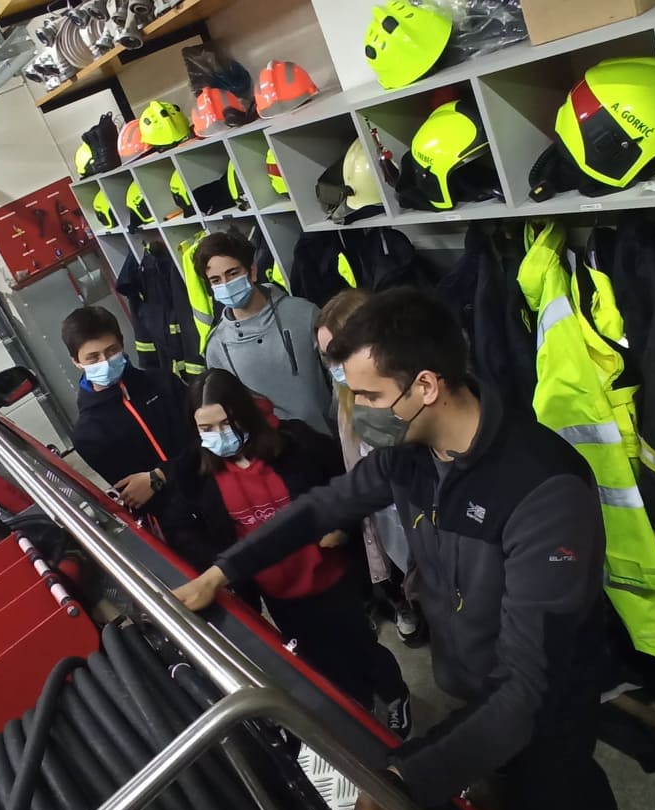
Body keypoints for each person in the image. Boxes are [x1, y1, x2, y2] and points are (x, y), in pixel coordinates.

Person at [174, 289, 646, 810]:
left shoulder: (542, 488)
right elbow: (323, 506)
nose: (358, 411)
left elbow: (528, 686)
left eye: (369, 396)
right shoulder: (410, 456)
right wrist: (224, 570)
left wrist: (403, 780)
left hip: (544, 706)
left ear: (425, 385)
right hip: (476, 688)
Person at [159, 368, 412, 736]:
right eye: (206, 428)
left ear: (244, 414)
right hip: (276, 592)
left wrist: (341, 528)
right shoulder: (194, 471)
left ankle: (394, 694)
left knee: (359, 645)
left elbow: (344, 486)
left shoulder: (297, 443)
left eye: (226, 423)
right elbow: (180, 525)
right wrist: (225, 562)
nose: (218, 435)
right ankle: (358, 709)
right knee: (317, 660)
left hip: (329, 576)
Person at [315, 289, 425, 647]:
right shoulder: (346, 399)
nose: (336, 367)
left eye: (340, 353)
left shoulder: (416, 398)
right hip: (388, 518)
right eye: (327, 357)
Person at [197, 231, 335, 434]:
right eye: (216, 280)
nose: (225, 284)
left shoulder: (303, 314)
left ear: (252, 271)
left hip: (325, 438)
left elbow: (338, 376)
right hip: (271, 447)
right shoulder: (216, 346)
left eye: (232, 273)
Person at [62, 305, 192, 510]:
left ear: (122, 344)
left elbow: (206, 444)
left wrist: (159, 476)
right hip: (178, 521)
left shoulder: (163, 382)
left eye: (111, 351)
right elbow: (137, 496)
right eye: (93, 357)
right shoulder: (88, 434)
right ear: (76, 362)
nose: (105, 362)